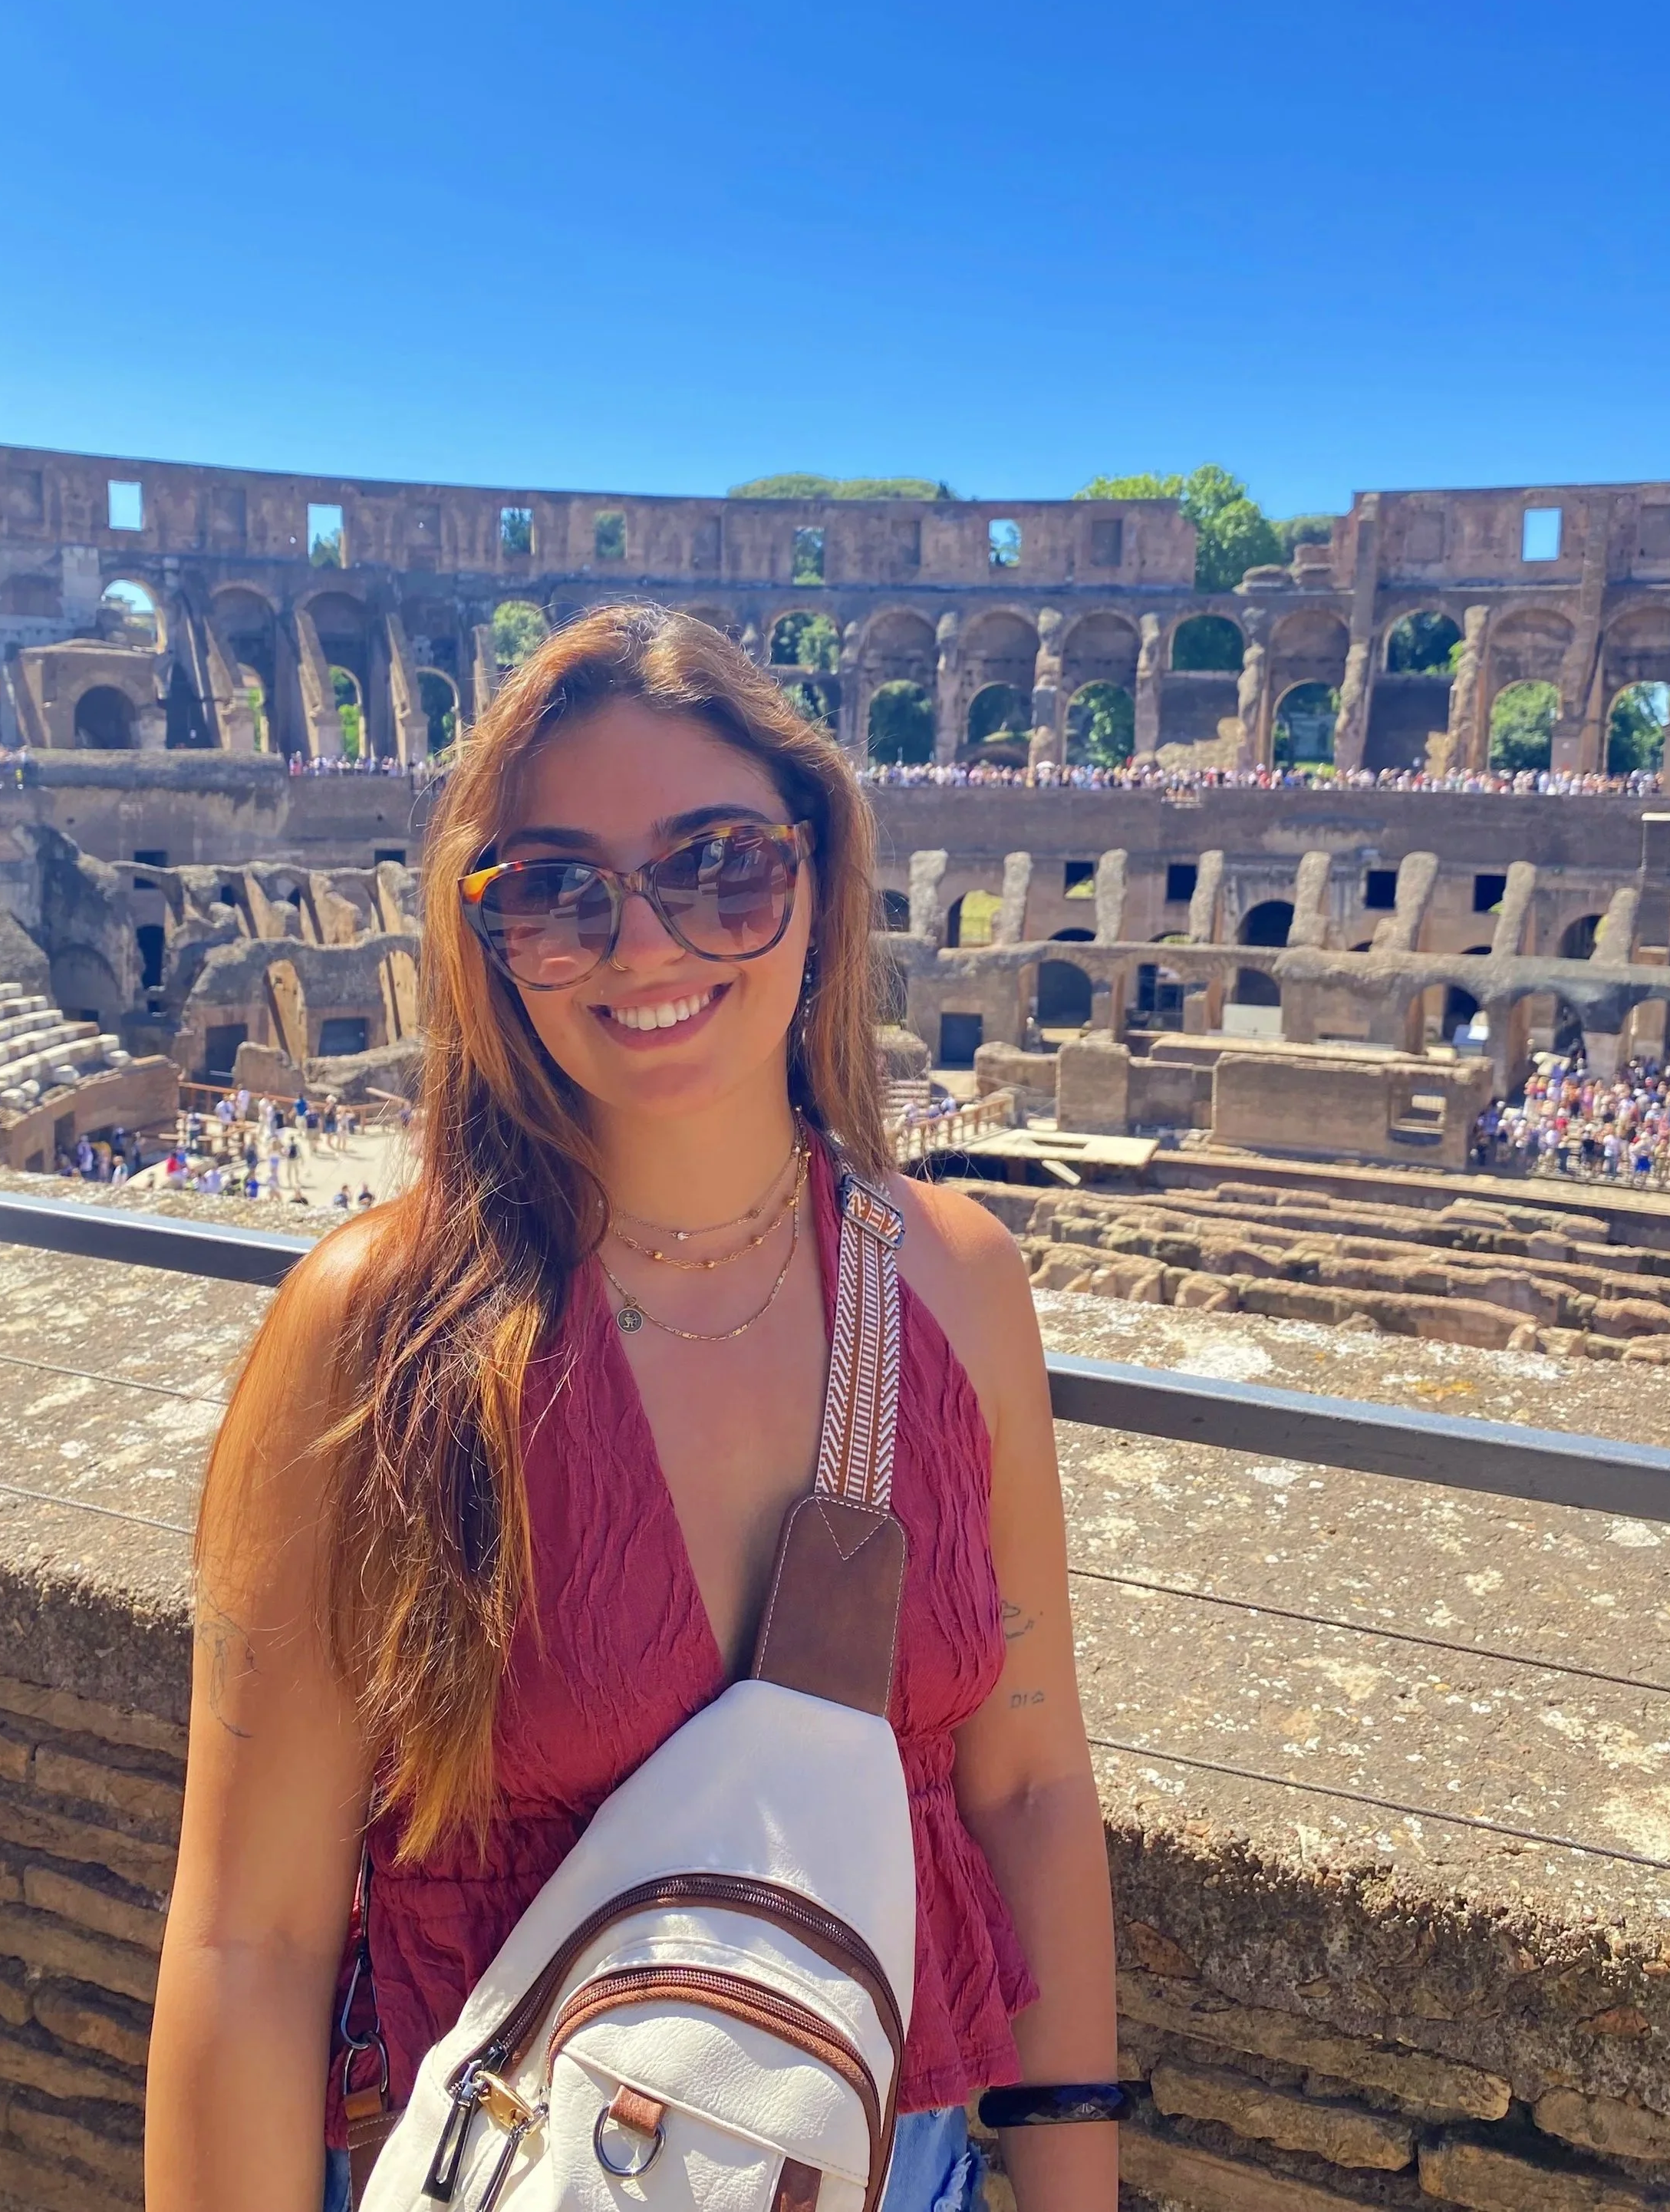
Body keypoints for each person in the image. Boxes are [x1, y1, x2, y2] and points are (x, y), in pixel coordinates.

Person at [147, 607, 1114, 2212]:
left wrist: (1072, 2191)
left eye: (717, 865)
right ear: (486, 937)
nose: (646, 943)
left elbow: (1022, 1787)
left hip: (899, 2160)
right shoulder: (375, 1332)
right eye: (554, 894)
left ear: (815, 874)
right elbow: (251, 1939)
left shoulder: (957, 1283)